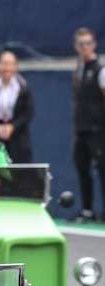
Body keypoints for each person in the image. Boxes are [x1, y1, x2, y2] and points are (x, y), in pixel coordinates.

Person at [71, 27, 105, 222]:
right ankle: (87, 211)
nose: (85, 47)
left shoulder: (101, 70)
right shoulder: (78, 70)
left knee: (103, 170)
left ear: (94, 45)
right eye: (81, 44)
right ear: (76, 46)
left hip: (98, 131)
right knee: (82, 169)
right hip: (80, 130)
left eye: (88, 43)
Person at [0, 51, 34, 163]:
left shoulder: (24, 88)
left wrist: (12, 127)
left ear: (16, 67)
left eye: (10, 64)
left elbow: (28, 113)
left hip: (17, 137)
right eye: (4, 63)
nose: (7, 68)